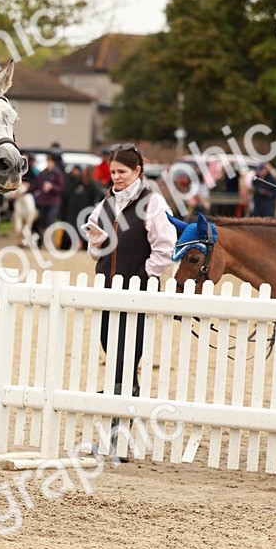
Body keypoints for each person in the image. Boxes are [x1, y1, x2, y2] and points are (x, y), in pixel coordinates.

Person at [82, 143, 176, 394]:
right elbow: (93, 250)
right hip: (107, 287)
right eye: (113, 172)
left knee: (128, 344)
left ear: (138, 171)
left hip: (137, 288)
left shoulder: (152, 202)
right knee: (107, 339)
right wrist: (97, 243)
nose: (116, 177)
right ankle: (123, 388)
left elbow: (165, 248)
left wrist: (144, 275)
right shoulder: (106, 203)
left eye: (122, 172)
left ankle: (124, 389)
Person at [31, 153, 65, 232]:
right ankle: (41, 239)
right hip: (42, 202)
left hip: (53, 202)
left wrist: (52, 187)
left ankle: (49, 238)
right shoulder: (43, 173)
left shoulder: (58, 173)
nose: (49, 163)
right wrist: (25, 191)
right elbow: (36, 185)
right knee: (40, 222)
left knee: (49, 221)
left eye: (51, 161)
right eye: (48, 161)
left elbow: (62, 188)